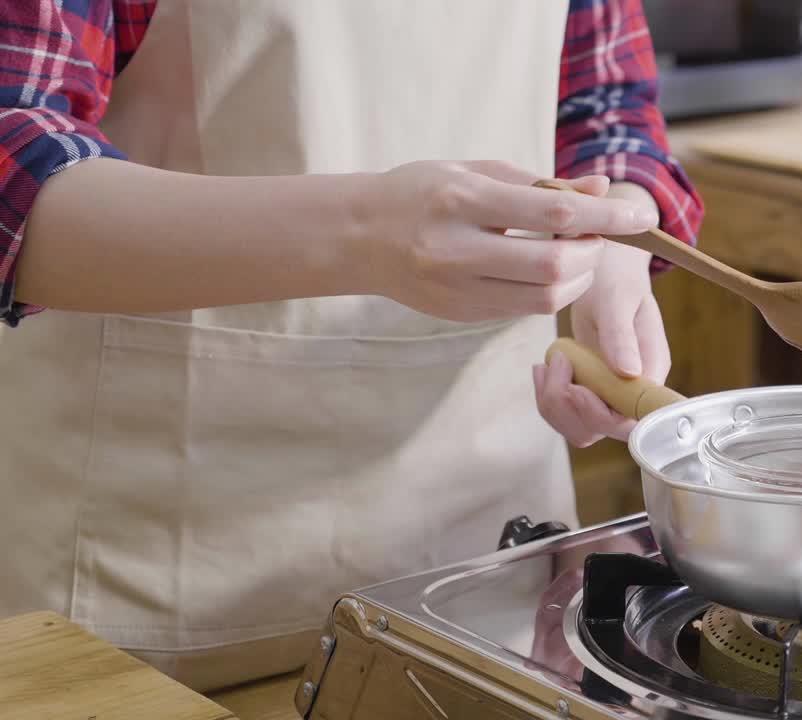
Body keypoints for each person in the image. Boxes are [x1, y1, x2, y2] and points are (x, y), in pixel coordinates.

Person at [0, 0, 703, 691]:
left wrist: (612, 238)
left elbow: (606, 106)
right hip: (150, 598)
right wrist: (364, 233)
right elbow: (13, 151)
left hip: (488, 574)